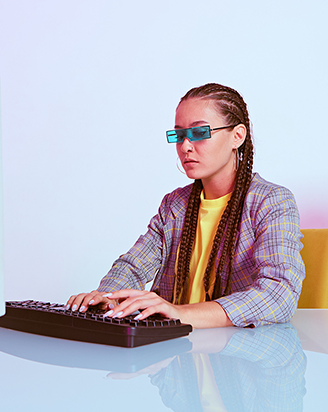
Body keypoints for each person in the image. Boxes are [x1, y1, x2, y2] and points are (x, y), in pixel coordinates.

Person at [67, 83, 304, 328]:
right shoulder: (175, 205)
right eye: (179, 135)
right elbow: (133, 266)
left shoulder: (271, 201)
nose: (185, 146)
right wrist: (106, 298)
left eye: (199, 133)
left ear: (237, 136)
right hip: (176, 353)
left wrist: (178, 312)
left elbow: (279, 293)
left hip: (236, 355)